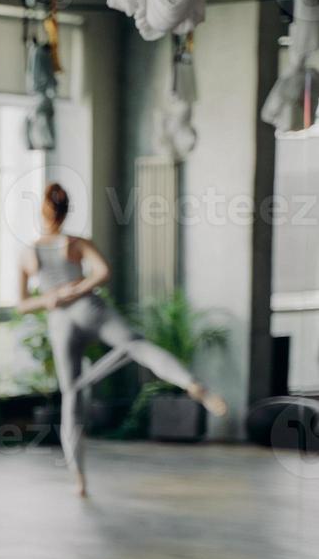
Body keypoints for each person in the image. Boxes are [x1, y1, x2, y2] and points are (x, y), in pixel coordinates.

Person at [16, 182, 227, 496]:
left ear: (42, 211)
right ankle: (191, 383)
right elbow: (102, 272)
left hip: (60, 320)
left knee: (71, 396)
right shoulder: (75, 242)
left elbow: (21, 304)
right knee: (135, 345)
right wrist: (77, 288)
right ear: (66, 210)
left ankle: (79, 479)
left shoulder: (28, 251)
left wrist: (51, 298)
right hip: (90, 309)